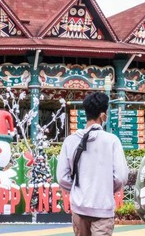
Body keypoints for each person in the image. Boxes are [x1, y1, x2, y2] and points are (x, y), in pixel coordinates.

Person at [57, 92, 128, 236]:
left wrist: (80, 189)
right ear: (103, 115)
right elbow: (120, 177)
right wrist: (105, 188)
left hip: (79, 208)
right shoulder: (112, 141)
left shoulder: (70, 141)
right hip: (103, 208)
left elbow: (62, 178)